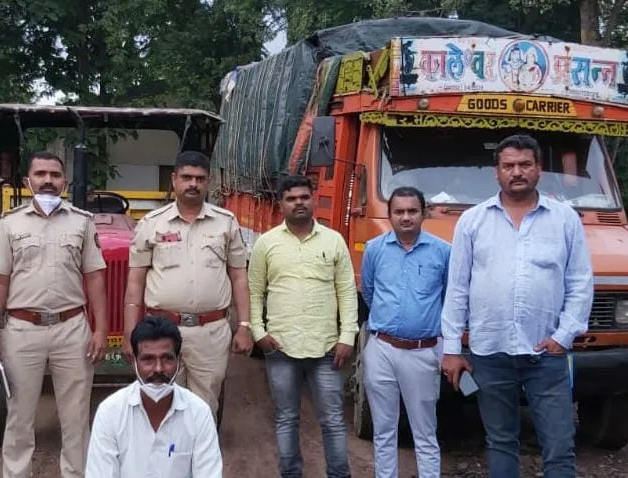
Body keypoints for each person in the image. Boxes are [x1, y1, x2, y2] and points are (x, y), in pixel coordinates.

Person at [441, 134, 594, 478]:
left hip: (547, 355)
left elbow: (580, 282)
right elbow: (457, 289)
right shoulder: (473, 221)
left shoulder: (565, 219)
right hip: (489, 352)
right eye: (508, 165)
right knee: (500, 441)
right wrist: (451, 348)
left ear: (539, 169)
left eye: (525, 164)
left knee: (559, 445)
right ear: (496, 172)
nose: (517, 172)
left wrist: (563, 336)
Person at [0, 151, 108, 478]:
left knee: (76, 416)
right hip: (23, 331)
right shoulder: (10, 224)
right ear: (28, 181)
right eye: (41, 174)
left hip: (72, 329)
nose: (48, 180)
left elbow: (95, 277)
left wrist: (100, 330)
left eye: (55, 174)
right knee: (19, 415)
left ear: (65, 182)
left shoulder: (82, 222)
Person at [122, 150, 251, 420]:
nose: (193, 184)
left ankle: (200, 449)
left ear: (208, 182)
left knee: (205, 408)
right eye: (187, 177)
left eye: (200, 179)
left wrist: (244, 326)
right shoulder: (151, 224)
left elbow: (239, 277)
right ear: (174, 180)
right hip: (162, 332)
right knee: (161, 403)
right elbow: (135, 282)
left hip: (211, 333)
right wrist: (129, 333)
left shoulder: (226, 223)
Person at [248, 175, 358, 478]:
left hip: (327, 349)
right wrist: (259, 332)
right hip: (280, 348)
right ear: (281, 203)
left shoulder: (333, 241)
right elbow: (255, 291)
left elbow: (346, 291)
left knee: (333, 421)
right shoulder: (266, 243)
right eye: (291, 198)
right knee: (286, 418)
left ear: (313, 199)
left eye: (304, 197)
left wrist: (347, 336)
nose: (299, 203)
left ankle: (339, 474)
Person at [361, 186, 450, 478]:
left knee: (424, 431)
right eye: (399, 211)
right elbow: (369, 292)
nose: (406, 217)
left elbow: (449, 299)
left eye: (412, 211)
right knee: (383, 430)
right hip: (382, 349)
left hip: (423, 351)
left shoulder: (443, 251)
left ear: (424, 213)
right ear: (389, 215)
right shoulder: (374, 249)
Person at [86, 316, 222, 478]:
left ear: (179, 361)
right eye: (148, 360)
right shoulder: (110, 412)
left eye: (167, 359)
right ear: (134, 362)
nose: (158, 369)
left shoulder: (199, 413)